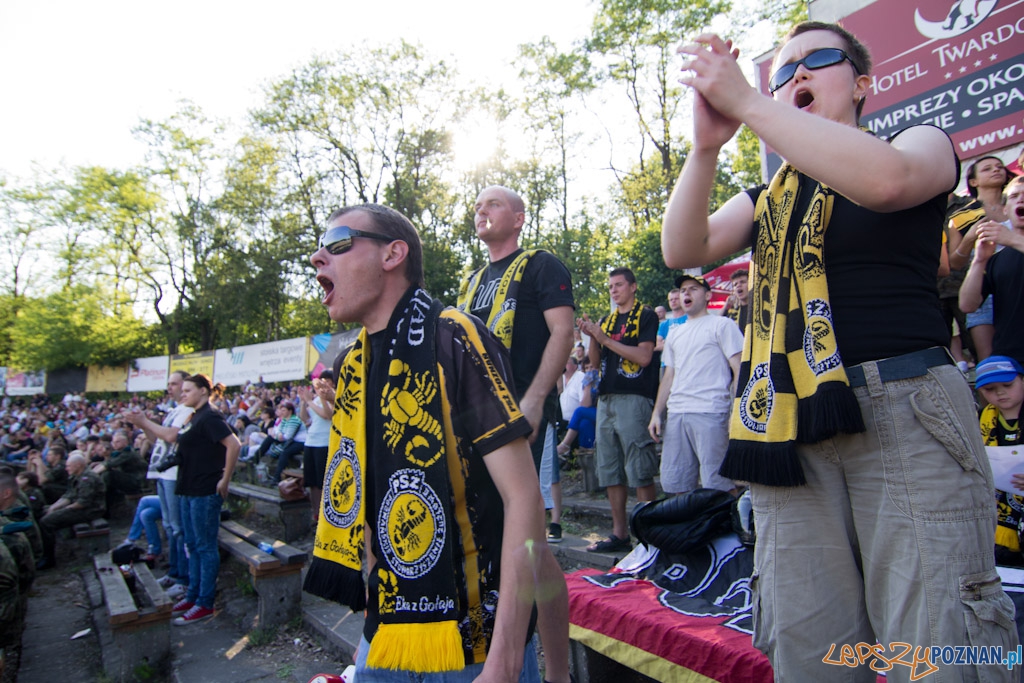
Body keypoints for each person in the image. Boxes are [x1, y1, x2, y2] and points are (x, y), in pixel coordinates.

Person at [662, 20, 1016, 679]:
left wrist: (749, 100)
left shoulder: (918, 143)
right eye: (782, 70)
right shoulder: (766, 199)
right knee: (811, 649)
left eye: (816, 59)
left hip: (907, 411)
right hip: (787, 426)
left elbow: (888, 184)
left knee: (937, 643)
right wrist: (706, 148)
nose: (796, 74)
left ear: (861, 85)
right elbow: (683, 249)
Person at [306, 203, 544, 681]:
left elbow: (524, 498)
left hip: (476, 647)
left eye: (337, 243)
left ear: (392, 254)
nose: (317, 257)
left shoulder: (455, 336)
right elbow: (366, 500)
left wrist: (504, 660)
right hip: (387, 636)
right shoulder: (350, 366)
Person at [457, 185, 573, 682]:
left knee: (529, 546)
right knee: (522, 546)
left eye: (494, 204)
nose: (481, 210)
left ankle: (554, 672)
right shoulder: (470, 282)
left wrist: (535, 398)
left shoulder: (541, 265)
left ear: (520, 218)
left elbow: (563, 332)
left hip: (520, 416)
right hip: (473, 424)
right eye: (477, 206)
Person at [576, 267, 659, 553]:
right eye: (610, 286)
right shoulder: (606, 321)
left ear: (633, 287)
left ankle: (649, 538)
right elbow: (595, 361)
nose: (613, 290)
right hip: (606, 398)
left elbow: (644, 357)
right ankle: (619, 534)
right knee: (609, 468)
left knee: (640, 467)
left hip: (634, 398)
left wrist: (605, 339)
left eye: (619, 285)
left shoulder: (646, 315)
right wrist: (592, 336)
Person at [648, 274, 742, 495]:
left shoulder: (722, 325)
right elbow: (669, 376)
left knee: (719, 486)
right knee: (677, 486)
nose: (686, 294)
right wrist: (656, 414)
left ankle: (726, 519)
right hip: (677, 414)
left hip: (711, 412)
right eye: (683, 290)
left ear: (708, 295)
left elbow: (739, 368)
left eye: (693, 289)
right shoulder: (674, 333)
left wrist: (737, 412)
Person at [169, 374, 240, 625]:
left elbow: (234, 444)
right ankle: (193, 595)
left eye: (188, 390)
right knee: (192, 543)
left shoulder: (210, 416)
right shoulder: (194, 416)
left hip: (204, 490)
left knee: (204, 546)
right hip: (188, 489)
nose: (183, 394)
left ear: (202, 391)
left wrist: (225, 479)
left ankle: (205, 602)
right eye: (182, 390)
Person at [125, 371, 193, 599]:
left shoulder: (189, 410)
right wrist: (144, 425)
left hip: (175, 475)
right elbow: (157, 440)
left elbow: (172, 436)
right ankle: (174, 573)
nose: (169, 388)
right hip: (162, 474)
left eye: (174, 384)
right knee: (169, 526)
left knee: (178, 528)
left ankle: (183, 579)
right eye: (169, 384)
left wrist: (145, 421)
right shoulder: (174, 410)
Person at [949, 156, 1011, 362]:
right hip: (983, 290)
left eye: (999, 167)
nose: (996, 170)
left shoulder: (1017, 203)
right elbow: (955, 263)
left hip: (1016, 285)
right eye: (987, 169)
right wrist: (969, 238)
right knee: (991, 362)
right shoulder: (962, 215)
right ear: (973, 181)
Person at [960, 176, 1024, 366]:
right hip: (1012, 359)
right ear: (1005, 209)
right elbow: (967, 305)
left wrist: (1012, 239)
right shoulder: (997, 259)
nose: (1021, 199)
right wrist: (979, 261)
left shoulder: (1011, 241)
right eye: (1014, 196)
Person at [975, 356, 1024, 565]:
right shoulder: (979, 419)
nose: (1000, 393)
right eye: (990, 389)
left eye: (1008, 385)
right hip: (996, 514)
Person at [38, 452, 106, 569]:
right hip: (79, 507)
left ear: (78, 465)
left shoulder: (87, 478)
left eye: (69, 466)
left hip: (91, 511)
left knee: (46, 522)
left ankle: (48, 558)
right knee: (42, 512)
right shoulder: (75, 476)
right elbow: (68, 496)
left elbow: (82, 503)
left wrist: (61, 510)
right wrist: (53, 507)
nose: (66, 468)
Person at [298, 371, 335, 523]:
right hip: (310, 442)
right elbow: (304, 418)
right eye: (321, 380)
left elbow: (327, 415)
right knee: (312, 482)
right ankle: (316, 513)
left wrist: (314, 400)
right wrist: (303, 401)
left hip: (324, 442)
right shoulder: (314, 399)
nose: (322, 383)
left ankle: (325, 516)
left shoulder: (333, 397)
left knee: (322, 481)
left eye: (327, 380)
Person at [654, 288, 687, 355]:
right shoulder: (664, 324)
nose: (673, 301)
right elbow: (656, 345)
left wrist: (666, 343)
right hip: (667, 360)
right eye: (671, 300)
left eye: (676, 299)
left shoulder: (690, 319)